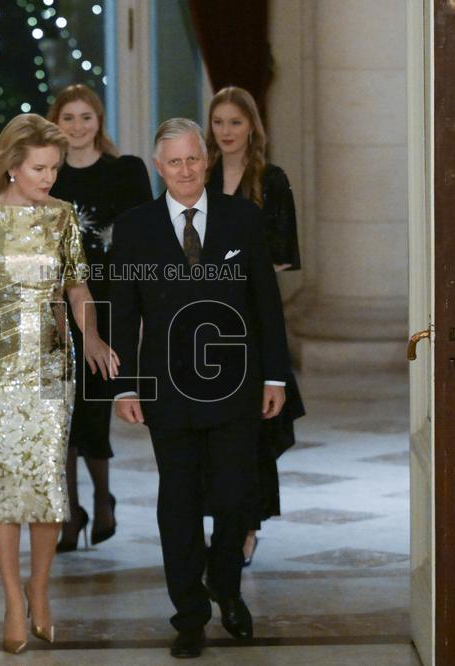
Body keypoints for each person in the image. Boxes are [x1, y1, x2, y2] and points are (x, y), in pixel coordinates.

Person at [0, 113, 119, 654]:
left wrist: (92, 337)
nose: (50, 178)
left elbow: (77, 288)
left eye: (55, 169)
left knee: (44, 482)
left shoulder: (63, 218)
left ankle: (40, 588)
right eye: (40, 168)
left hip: (48, 369)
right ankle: (12, 596)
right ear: (13, 166)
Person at [108, 118, 291, 658]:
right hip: (166, 388)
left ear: (204, 162)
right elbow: (122, 310)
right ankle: (188, 614)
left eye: (193, 159)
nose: (185, 170)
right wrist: (124, 386)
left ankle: (227, 587)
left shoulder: (242, 218)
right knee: (180, 502)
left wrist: (275, 375)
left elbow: (266, 305)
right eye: (174, 162)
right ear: (159, 166)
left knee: (237, 496)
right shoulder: (135, 227)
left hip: (237, 383)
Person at [46, 84, 152, 552]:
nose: (77, 126)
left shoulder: (124, 173)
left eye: (85, 116)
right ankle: (71, 512)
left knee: (93, 403)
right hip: (54, 304)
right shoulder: (47, 177)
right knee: (63, 411)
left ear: (99, 120)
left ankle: (102, 498)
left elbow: (143, 242)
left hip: (110, 303)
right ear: (56, 123)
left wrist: (144, 304)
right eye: (68, 117)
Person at [205, 86, 307, 566]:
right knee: (211, 427)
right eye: (219, 122)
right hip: (203, 317)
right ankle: (220, 522)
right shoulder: (198, 176)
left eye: (235, 123)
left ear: (252, 128)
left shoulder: (273, 180)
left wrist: (238, 270)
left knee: (254, 429)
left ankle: (247, 526)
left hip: (253, 315)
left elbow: (283, 255)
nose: (225, 132)